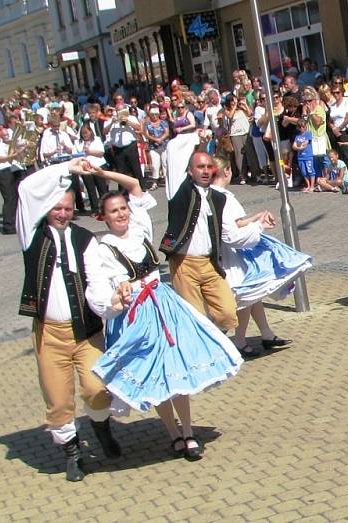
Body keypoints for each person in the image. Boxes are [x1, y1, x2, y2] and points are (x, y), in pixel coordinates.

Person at [83, 163, 243, 460]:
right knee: (156, 375)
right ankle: (173, 434)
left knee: (177, 369)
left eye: (122, 209)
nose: (121, 214)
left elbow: (133, 185)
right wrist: (117, 295)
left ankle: (188, 432)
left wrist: (102, 173)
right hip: (134, 315)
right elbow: (101, 289)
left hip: (163, 305)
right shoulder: (102, 248)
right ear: (102, 218)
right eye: (113, 211)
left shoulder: (141, 228)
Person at [15, 160, 122, 482]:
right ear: (47, 207)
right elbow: (25, 188)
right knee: (58, 400)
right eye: (57, 208)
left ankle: (100, 427)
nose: (62, 213)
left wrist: (109, 305)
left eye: (68, 208)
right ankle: (72, 452)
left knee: (97, 389)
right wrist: (69, 166)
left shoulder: (85, 239)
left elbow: (96, 281)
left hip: (87, 332)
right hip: (49, 333)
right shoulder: (31, 235)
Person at [160, 152, 272, 332]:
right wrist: (196, 139)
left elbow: (230, 234)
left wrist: (258, 225)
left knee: (228, 314)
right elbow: (178, 154)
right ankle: (202, 352)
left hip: (210, 262)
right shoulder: (181, 192)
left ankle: (212, 340)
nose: (205, 171)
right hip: (184, 263)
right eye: (200, 167)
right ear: (189, 171)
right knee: (194, 317)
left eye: (208, 167)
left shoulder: (219, 198)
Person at [211, 157, 311, 356]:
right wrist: (258, 225)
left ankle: (266, 333)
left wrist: (254, 218)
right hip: (230, 256)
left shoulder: (212, 194)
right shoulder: (223, 196)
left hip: (226, 252)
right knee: (247, 295)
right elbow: (232, 235)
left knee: (254, 293)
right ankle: (237, 340)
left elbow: (234, 224)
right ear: (227, 171)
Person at [0, 125, 25, 235]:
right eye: (2, 129)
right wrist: (11, 156)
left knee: (13, 197)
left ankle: (14, 222)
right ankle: (8, 226)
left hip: (8, 170)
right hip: (1, 172)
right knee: (9, 199)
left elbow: (8, 152)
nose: (5, 131)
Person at [293, 119, 315, 192]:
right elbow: (294, 146)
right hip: (300, 157)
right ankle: (308, 185)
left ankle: (312, 186)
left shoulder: (308, 133)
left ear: (306, 126)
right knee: (303, 172)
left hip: (308, 156)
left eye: (303, 127)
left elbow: (305, 144)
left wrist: (299, 146)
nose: (302, 128)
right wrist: (299, 146)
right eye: (300, 127)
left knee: (310, 170)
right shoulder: (297, 136)